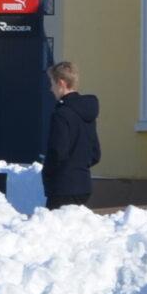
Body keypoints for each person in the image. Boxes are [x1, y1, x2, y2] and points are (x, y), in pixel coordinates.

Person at [42, 61, 101, 211]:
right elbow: (95, 154)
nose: (51, 89)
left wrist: (47, 174)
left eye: (52, 83)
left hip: (63, 187)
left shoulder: (61, 115)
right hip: (84, 185)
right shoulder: (87, 112)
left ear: (61, 83)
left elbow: (57, 152)